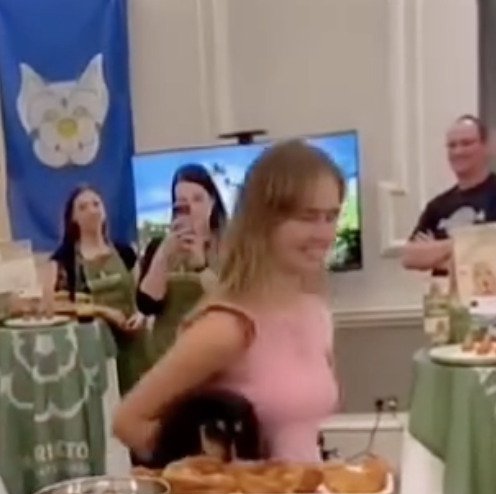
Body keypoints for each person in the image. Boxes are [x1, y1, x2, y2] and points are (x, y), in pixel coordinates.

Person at [114, 139, 341, 463]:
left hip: (311, 491)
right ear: (265, 221)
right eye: (308, 217)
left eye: (331, 216)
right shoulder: (229, 326)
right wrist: (216, 476)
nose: (324, 234)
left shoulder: (315, 313)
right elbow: (128, 422)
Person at [46, 186, 152, 394]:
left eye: (96, 204)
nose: (92, 210)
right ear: (73, 218)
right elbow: (52, 305)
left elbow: (143, 295)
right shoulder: (64, 260)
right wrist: (104, 311)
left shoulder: (125, 252)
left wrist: (140, 316)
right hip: (93, 350)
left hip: (134, 345)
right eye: (83, 207)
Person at [137, 164, 227, 359]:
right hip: (167, 354)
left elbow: (230, 302)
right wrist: (164, 255)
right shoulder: (160, 246)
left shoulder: (231, 246)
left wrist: (201, 266)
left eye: (198, 199)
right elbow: (147, 305)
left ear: (212, 202)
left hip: (216, 353)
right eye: (182, 203)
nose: (191, 208)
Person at [402, 115, 496, 271]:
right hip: (442, 287)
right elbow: (410, 257)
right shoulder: (437, 206)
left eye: (466, 143)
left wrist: (435, 251)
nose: (458, 151)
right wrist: (471, 244)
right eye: (452, 146)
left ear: (487, 146)